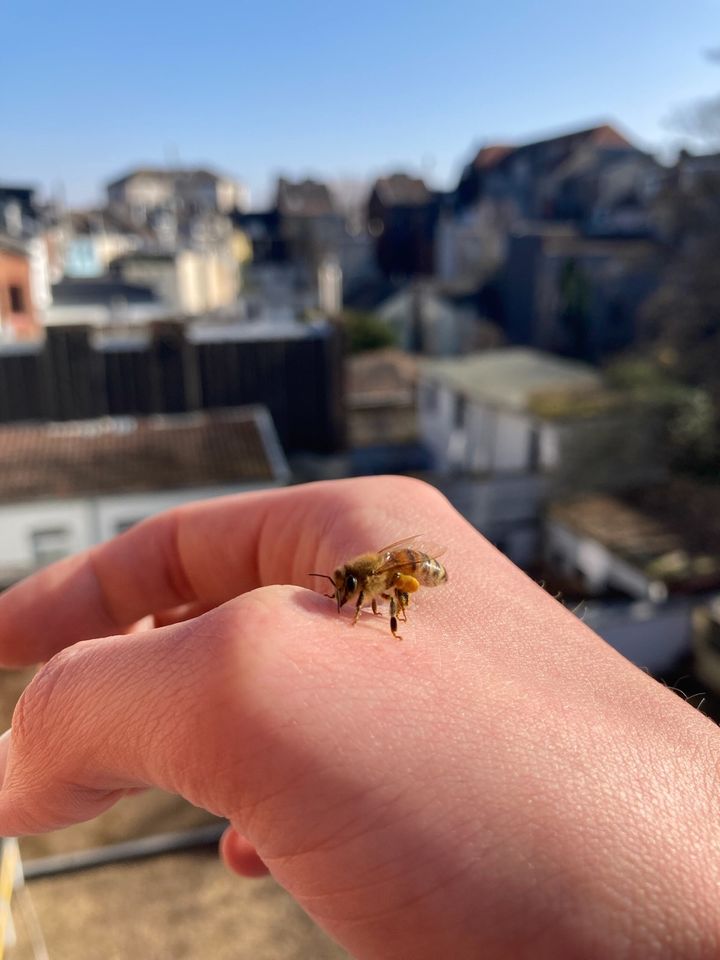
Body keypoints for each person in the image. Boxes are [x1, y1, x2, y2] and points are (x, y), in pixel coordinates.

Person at [0, 476, 718, 959]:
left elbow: (399, 574)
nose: (342, 595)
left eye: (347, 588)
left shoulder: (382, 577)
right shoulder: (357, 575)